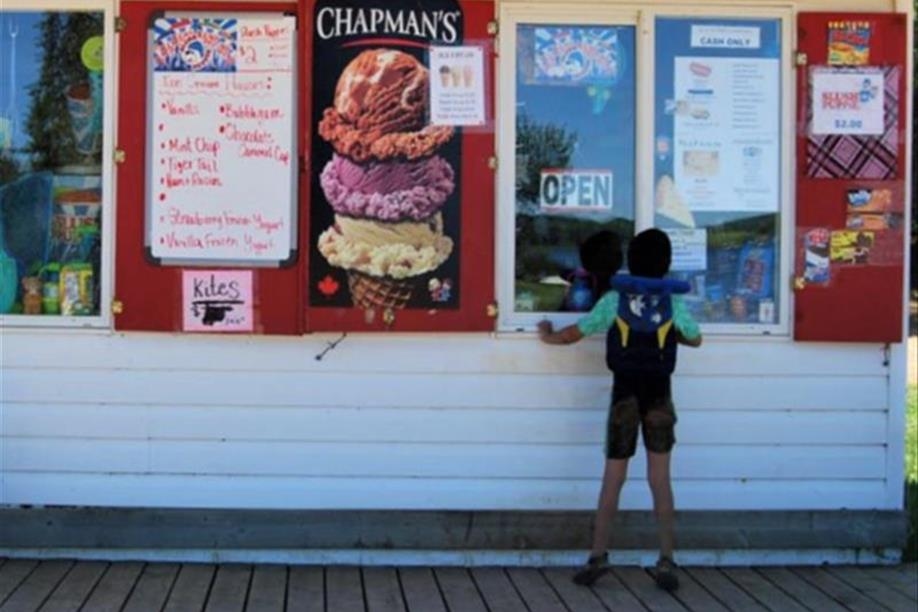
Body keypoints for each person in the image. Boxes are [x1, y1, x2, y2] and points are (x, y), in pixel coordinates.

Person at [538, 228, 702, 591]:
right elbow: (695, 337)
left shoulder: (615, 300)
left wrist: (547, 333)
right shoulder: (673, 303)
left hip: (623, 397)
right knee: (660, 479)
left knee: (614, 477)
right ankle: (667, 560)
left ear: (631, 262)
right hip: (659, 396)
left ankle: (598, 555)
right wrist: (668, 333)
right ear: (666, 264)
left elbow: (574, 334)